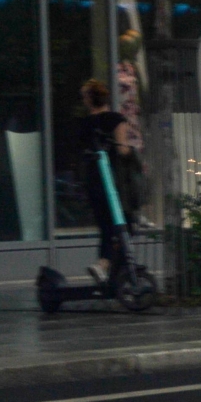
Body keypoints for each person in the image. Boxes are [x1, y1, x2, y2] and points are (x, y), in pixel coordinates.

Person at [76, 78, 139, 286]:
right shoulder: (115, 119)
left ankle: (106, 267)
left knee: (106, 227)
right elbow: (122, 149)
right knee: (124, 225)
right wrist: (132, 151)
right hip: (114, 180)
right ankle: (107, 265)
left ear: (89, 100)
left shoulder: (84, 124)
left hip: (94, 180)